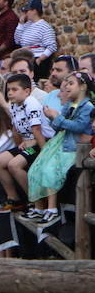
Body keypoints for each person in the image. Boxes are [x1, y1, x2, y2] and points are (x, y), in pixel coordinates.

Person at [23, 73, 95, 224]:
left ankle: (52, 208)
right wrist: (51, 117)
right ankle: (38, 208)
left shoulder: (88, 107)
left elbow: (80, 126)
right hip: (59, 142)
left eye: (71, 83)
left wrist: (58, 118)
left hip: (73, 147)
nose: (67, 86)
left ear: (83, 87)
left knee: (51, 171)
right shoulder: (69, 104)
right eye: (66, 83)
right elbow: (56, 126)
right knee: (36, 169)